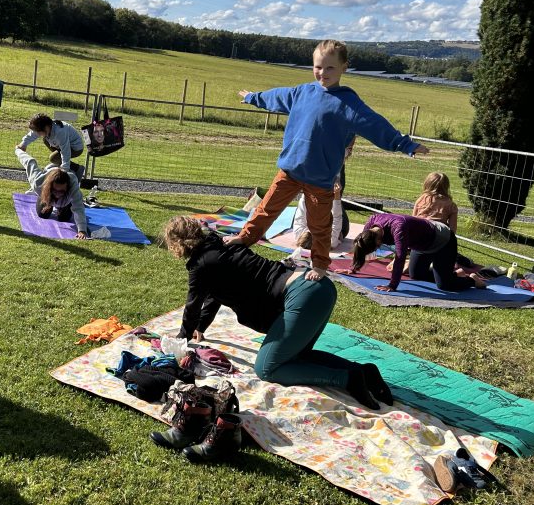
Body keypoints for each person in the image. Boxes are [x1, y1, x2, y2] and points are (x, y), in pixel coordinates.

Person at [229, 39, 428, 281]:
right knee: (266, 209)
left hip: (321, 180)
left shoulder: (349, 104)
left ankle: (320, 265)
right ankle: (245, 238)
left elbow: (376, 125)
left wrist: (405, 144)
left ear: (344, 67)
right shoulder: (302, 92)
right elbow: (277, 97)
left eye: (330, 68)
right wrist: (253, 97)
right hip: (290, 171)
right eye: (318, 67)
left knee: (320, 227)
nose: (323, 73)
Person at [163, 216, 390, 411]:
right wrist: (201, 326)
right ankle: (363, 372)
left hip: (302, 297)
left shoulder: (200, 265)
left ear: (178, 244)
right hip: (319, 288)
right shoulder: (222, 243)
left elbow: (193, 305)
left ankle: (348, 379)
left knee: (268, 368)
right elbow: (215, 292)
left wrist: (179, 342)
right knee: (295, 357)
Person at [346, 212, 487, 292]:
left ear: (377, 240)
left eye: (376, 247)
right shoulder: (370, 225)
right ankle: (454, 275)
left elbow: (400, 256)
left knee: (445, 285)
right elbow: (361, 247)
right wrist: (353, 269)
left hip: (443, 240)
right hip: (422, 244)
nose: (378, 248)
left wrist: (392, 285)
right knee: (416, 274)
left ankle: (471, 280)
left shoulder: (398, 227)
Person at [293, 138, 354, 251]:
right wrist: (336, 195)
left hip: (315, 211)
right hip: (338, 223)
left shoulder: (299, 233)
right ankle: (345, 148)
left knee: (320, 175)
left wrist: (306, 187)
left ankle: (331, 149)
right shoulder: (330, 241)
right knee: (336, 179)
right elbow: (336, 217)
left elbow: (301, 210)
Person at [16, 146, 90, 239]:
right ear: (49, 187)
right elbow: (30, 163)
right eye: (55, 190)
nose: (58, 194)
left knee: (64, 218)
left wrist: (82, 230)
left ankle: (75, 168)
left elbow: (78, 208)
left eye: (61, 191)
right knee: (43, 214)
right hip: (48, 182)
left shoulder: (73, 186)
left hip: (67, 196)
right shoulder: (39, 183)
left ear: (67, 187)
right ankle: (58, 164)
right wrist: (18, 150)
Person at [16, 113, 87, 180]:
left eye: (38, 131)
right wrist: (23, 144)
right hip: (63, 145)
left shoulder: (59, 132)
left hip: (76, 148)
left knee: (53, 158)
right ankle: (60, 161)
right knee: (45, 139)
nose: (37, 133)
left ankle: (78, 169)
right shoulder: (48, 127)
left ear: (46, 127)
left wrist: (64, 169)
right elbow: (33, 134)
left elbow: (66, 151)